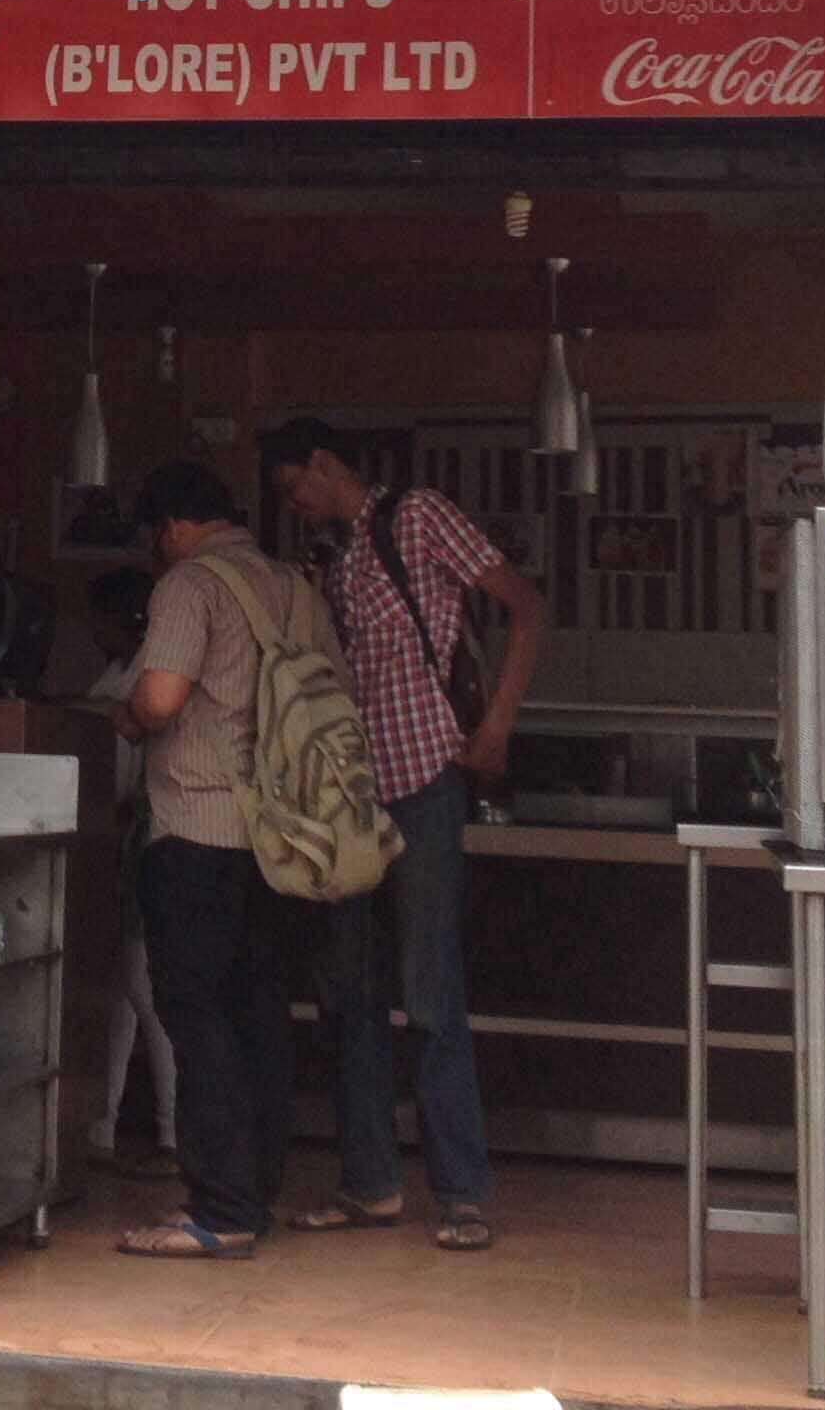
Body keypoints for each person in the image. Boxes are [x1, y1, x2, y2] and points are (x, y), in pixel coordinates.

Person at [260, 418, 546, 1254]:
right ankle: (370, 1184)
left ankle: (462, 1193)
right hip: (355, 796)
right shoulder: (339, 558)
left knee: (427, 992)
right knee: (348, 993)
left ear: (321, 464)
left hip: (424, 778)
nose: (295, 505)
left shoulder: (418, 517)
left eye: (293, 488)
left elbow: (527, 609)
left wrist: (496, 727)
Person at [109, 459, 337, 1262]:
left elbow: (162, 697)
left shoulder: (191, 585)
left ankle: (219, 1208)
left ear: (172, 527)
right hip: (282, 840)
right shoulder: (298, 590)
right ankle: (254, 1189)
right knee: (258, 1016)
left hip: (200, 831)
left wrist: (130, 719)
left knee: (196, 1016)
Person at [81, 566, 177, 1178]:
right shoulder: (122, 672)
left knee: (144, 988)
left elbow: (126, 768)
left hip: (145, 837)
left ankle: (174, 1128)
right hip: (119, 842)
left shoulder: (146, 675)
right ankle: (104, 1123)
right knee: (121, 990)